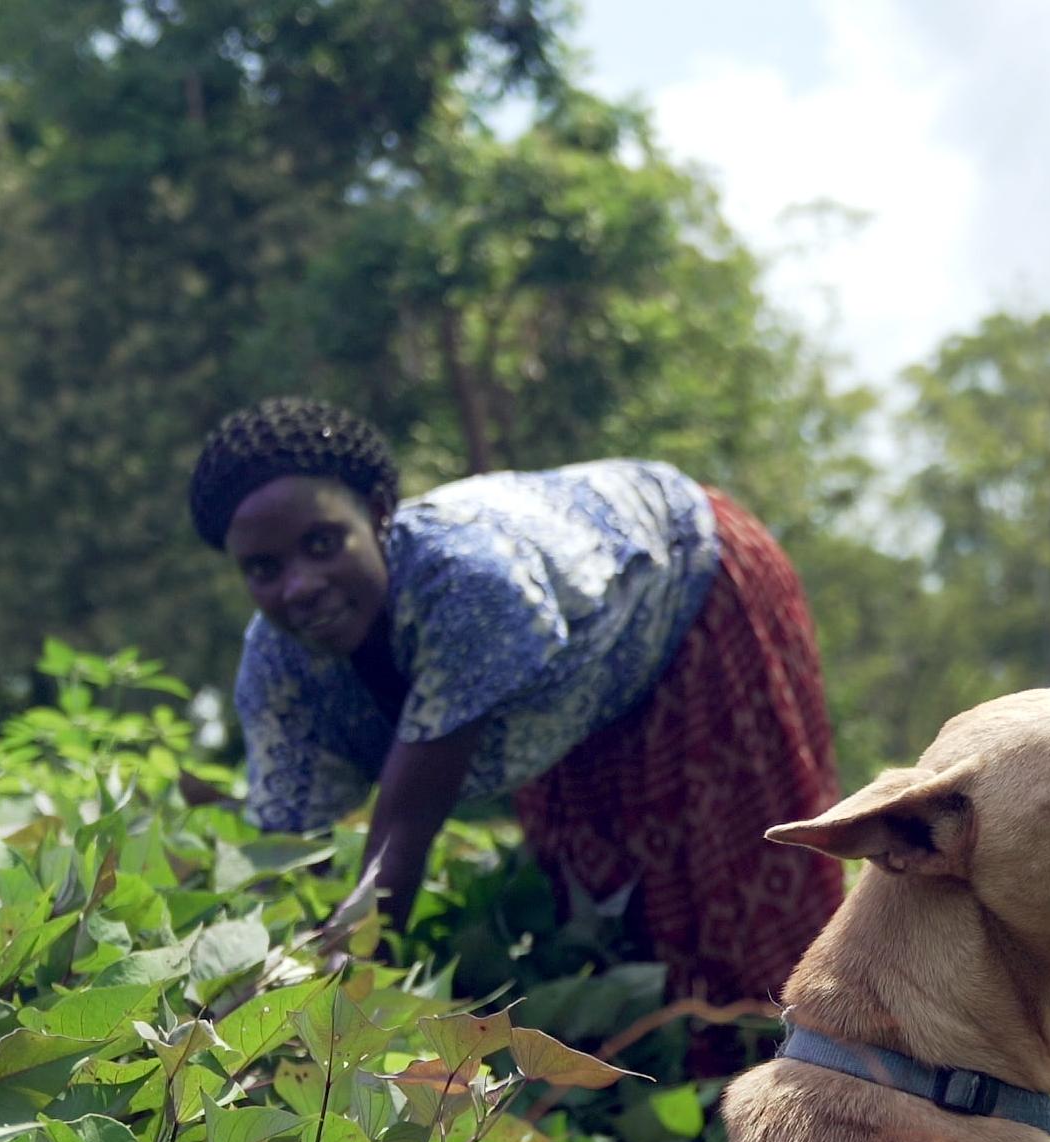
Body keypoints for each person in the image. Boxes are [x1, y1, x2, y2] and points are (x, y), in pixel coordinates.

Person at [187, 396, 843, 1004]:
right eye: (264, 569)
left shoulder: (469, 583)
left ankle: (811, 1082)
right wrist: (246, 981)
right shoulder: (275, 660)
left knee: (741, 889)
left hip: (693, 581)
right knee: (603, 907)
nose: (299, 585)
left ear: (380, 512)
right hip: (577, 691)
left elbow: (407, 823)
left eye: (323, 544)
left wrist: (329, 1011)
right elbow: (283, 852)